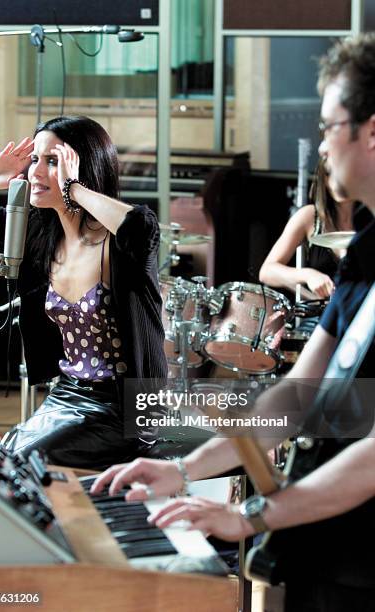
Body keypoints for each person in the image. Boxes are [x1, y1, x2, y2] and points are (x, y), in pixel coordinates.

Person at [92, 35, 375, 611]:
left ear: (370, 131)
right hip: (331, 554)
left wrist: (248, 513)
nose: (321, 145)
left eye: (329, 126)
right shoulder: (368, 254)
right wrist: (183, 467)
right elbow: (294, 397)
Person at [0, 115, 167, 470]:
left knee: (24, 461)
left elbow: (142, 227)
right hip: (67, 393)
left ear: (83, 169)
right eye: (35, 160)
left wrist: (73, 188)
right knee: (0, 456)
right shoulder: (39, 231)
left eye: (52, 161)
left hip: (126, 407)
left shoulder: (119, 242)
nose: (36, 173)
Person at [259, 162, 355, 300]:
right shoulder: (309, 217)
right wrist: (308, 275)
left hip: (364, 317)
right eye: (330, 174)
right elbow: (267, 271)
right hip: (320, 315)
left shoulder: (370, 220)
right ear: (325, 180)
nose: (338, 181)